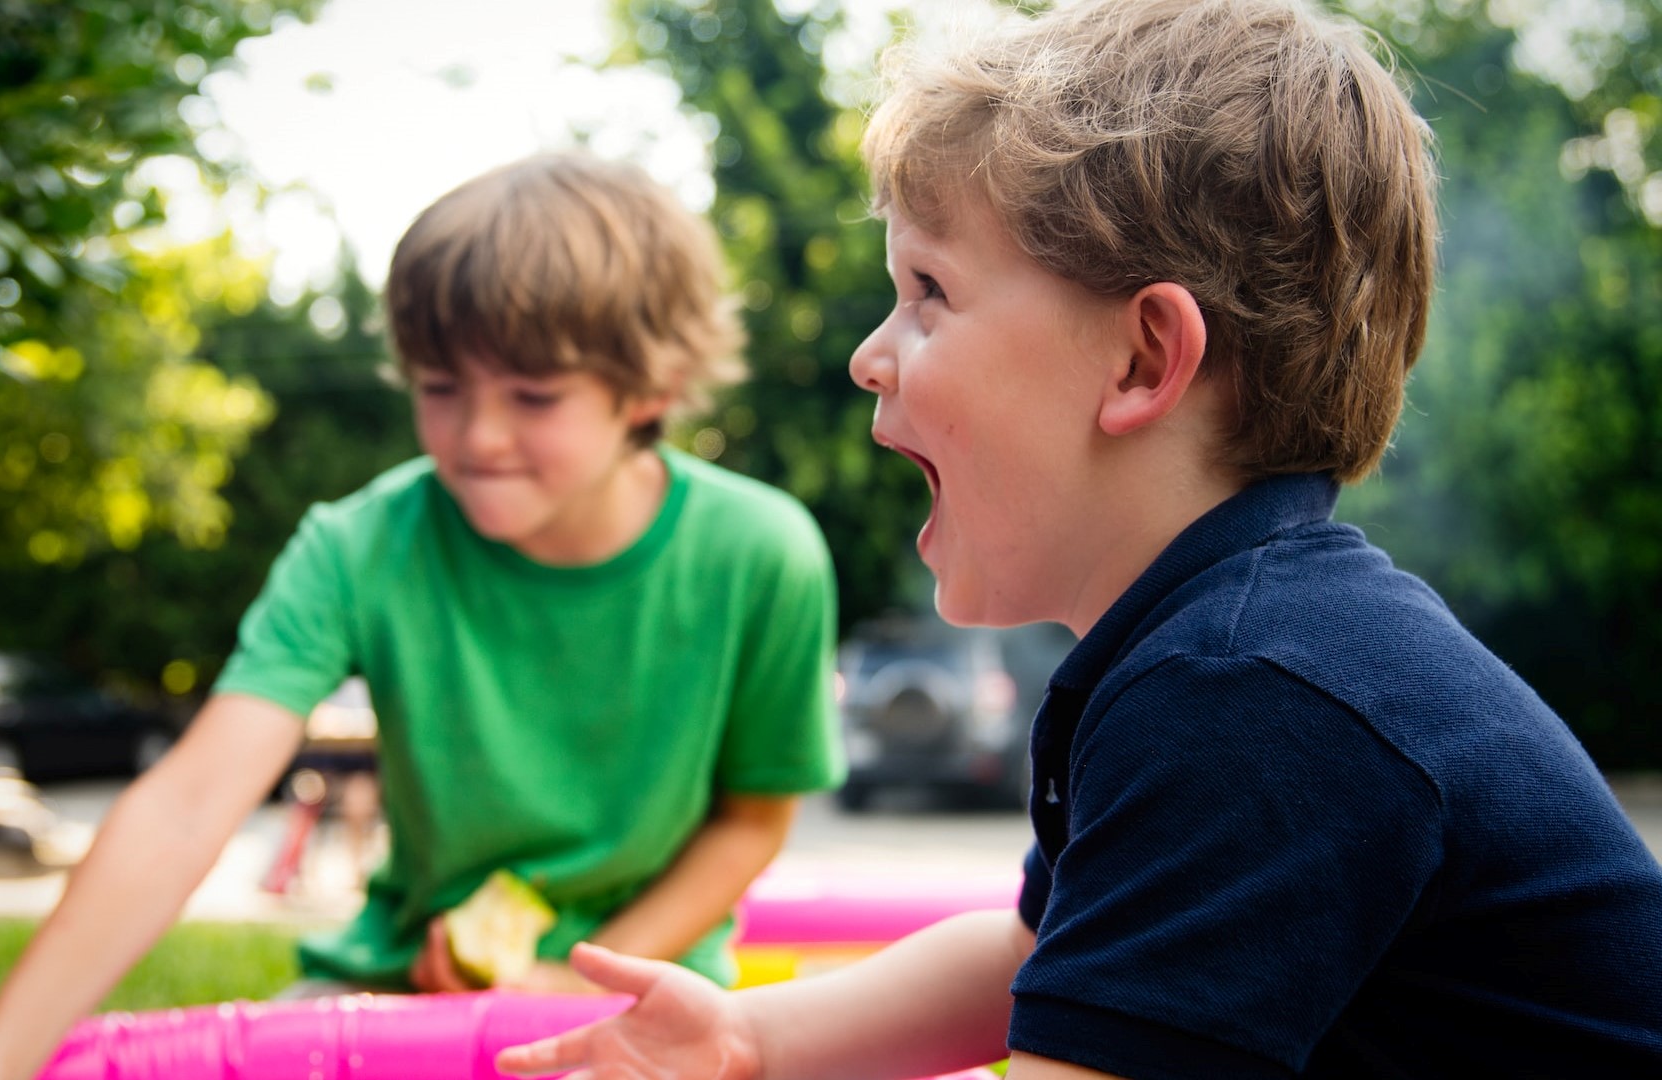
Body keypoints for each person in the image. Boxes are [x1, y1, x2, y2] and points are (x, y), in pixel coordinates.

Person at [496, 1, 1662, 1077]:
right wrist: (748, 1038)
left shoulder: (1254, 695)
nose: (868, 351)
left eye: (928, 291)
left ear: (1146, 359)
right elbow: (1034, 957)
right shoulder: (1224, 647)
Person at [0, 151, 845, 1078]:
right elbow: (187, 806)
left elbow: (752, 818)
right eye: (439, 388)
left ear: (649, 390)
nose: (478, 436)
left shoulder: (761, 553)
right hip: (394, 984)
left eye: (534, 396)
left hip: (650, 991)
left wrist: (576, 978)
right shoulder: (356, 546)